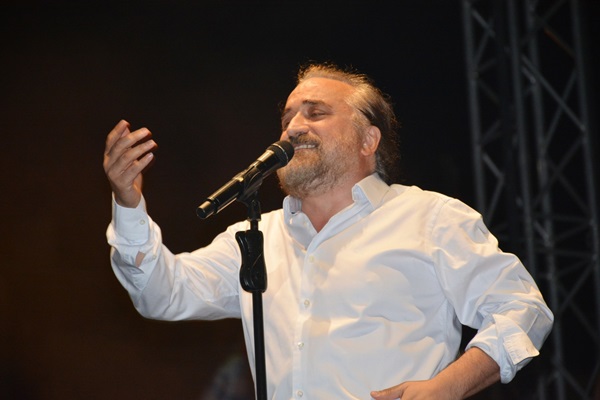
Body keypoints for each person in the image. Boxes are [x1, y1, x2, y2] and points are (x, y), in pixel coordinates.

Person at [104, 63, 553, 399]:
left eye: (315, 113)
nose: (293, 128)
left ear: (368, 140)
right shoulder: (258, 237)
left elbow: (522, 310)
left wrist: (447, 387)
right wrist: (128, 204)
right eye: (287, 119)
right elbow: (162, 293)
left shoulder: (429, 218)